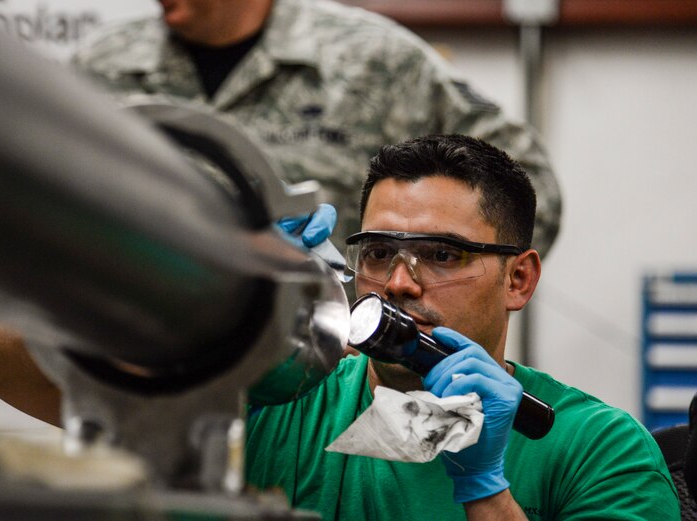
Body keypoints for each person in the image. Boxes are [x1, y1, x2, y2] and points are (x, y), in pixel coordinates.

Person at [244, 135, 679, 520]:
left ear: (517, 280)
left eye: (443, 256)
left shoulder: (601, 451)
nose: (398, 283)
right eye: (378, 253)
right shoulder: (284, 400)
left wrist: (486, 490)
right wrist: (228, 292)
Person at [71, 0, 561, 257]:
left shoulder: (373, 60)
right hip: (141, 369)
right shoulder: (101, 68)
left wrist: (424, 281)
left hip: (328, 392)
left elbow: (529, 187)